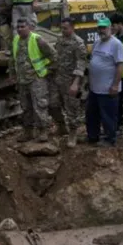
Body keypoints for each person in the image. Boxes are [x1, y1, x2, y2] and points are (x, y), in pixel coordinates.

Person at [9, 18, 55, 142]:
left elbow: (53, 55)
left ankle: (43, 131)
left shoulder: (37, 39)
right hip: (22, 80)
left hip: (36, 80)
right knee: (25, 107)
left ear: (29, 27)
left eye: (22, 27)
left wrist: (47, 70)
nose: (19, 29)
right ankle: (28, 132)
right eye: (18, 27)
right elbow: (13, 59)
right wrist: (12, 75)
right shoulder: (16, 40)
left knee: (39, 106)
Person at [85, 17, 123, 146]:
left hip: (108, 88)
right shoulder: (97, 42)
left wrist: (115, 85)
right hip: (94, 88)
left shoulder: (116, 44)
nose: (101, 30)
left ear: (110, 28)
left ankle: (110, 139)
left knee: (108, 116)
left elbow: (120, 66)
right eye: (99, 28)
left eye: (104, 28)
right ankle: (92, 136)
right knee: (91, 114)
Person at [48, 17, 86, 148]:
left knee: (71, 108)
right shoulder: (60, 40)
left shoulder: (78, 43)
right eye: (62, 28)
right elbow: (56, 58)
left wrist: (76, 83)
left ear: (72, 28)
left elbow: (81, 64)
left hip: (70, 81)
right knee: (52, 104)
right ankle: (61, 126)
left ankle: (73, 133)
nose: (63, 30)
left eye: (66, 28)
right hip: (57, 79)